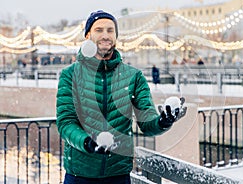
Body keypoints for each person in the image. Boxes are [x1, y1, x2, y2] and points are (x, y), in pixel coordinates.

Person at [56, 10, 187, 184]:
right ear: (88, 35)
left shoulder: (133, 76)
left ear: (116, 36)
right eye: (99, 30)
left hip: (118, 175)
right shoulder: (70, 74)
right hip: (80, 175)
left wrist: (163, 121)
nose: (105, 35)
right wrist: (88, 143)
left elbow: (147, 122)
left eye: (110, 31)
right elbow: (66, 123)